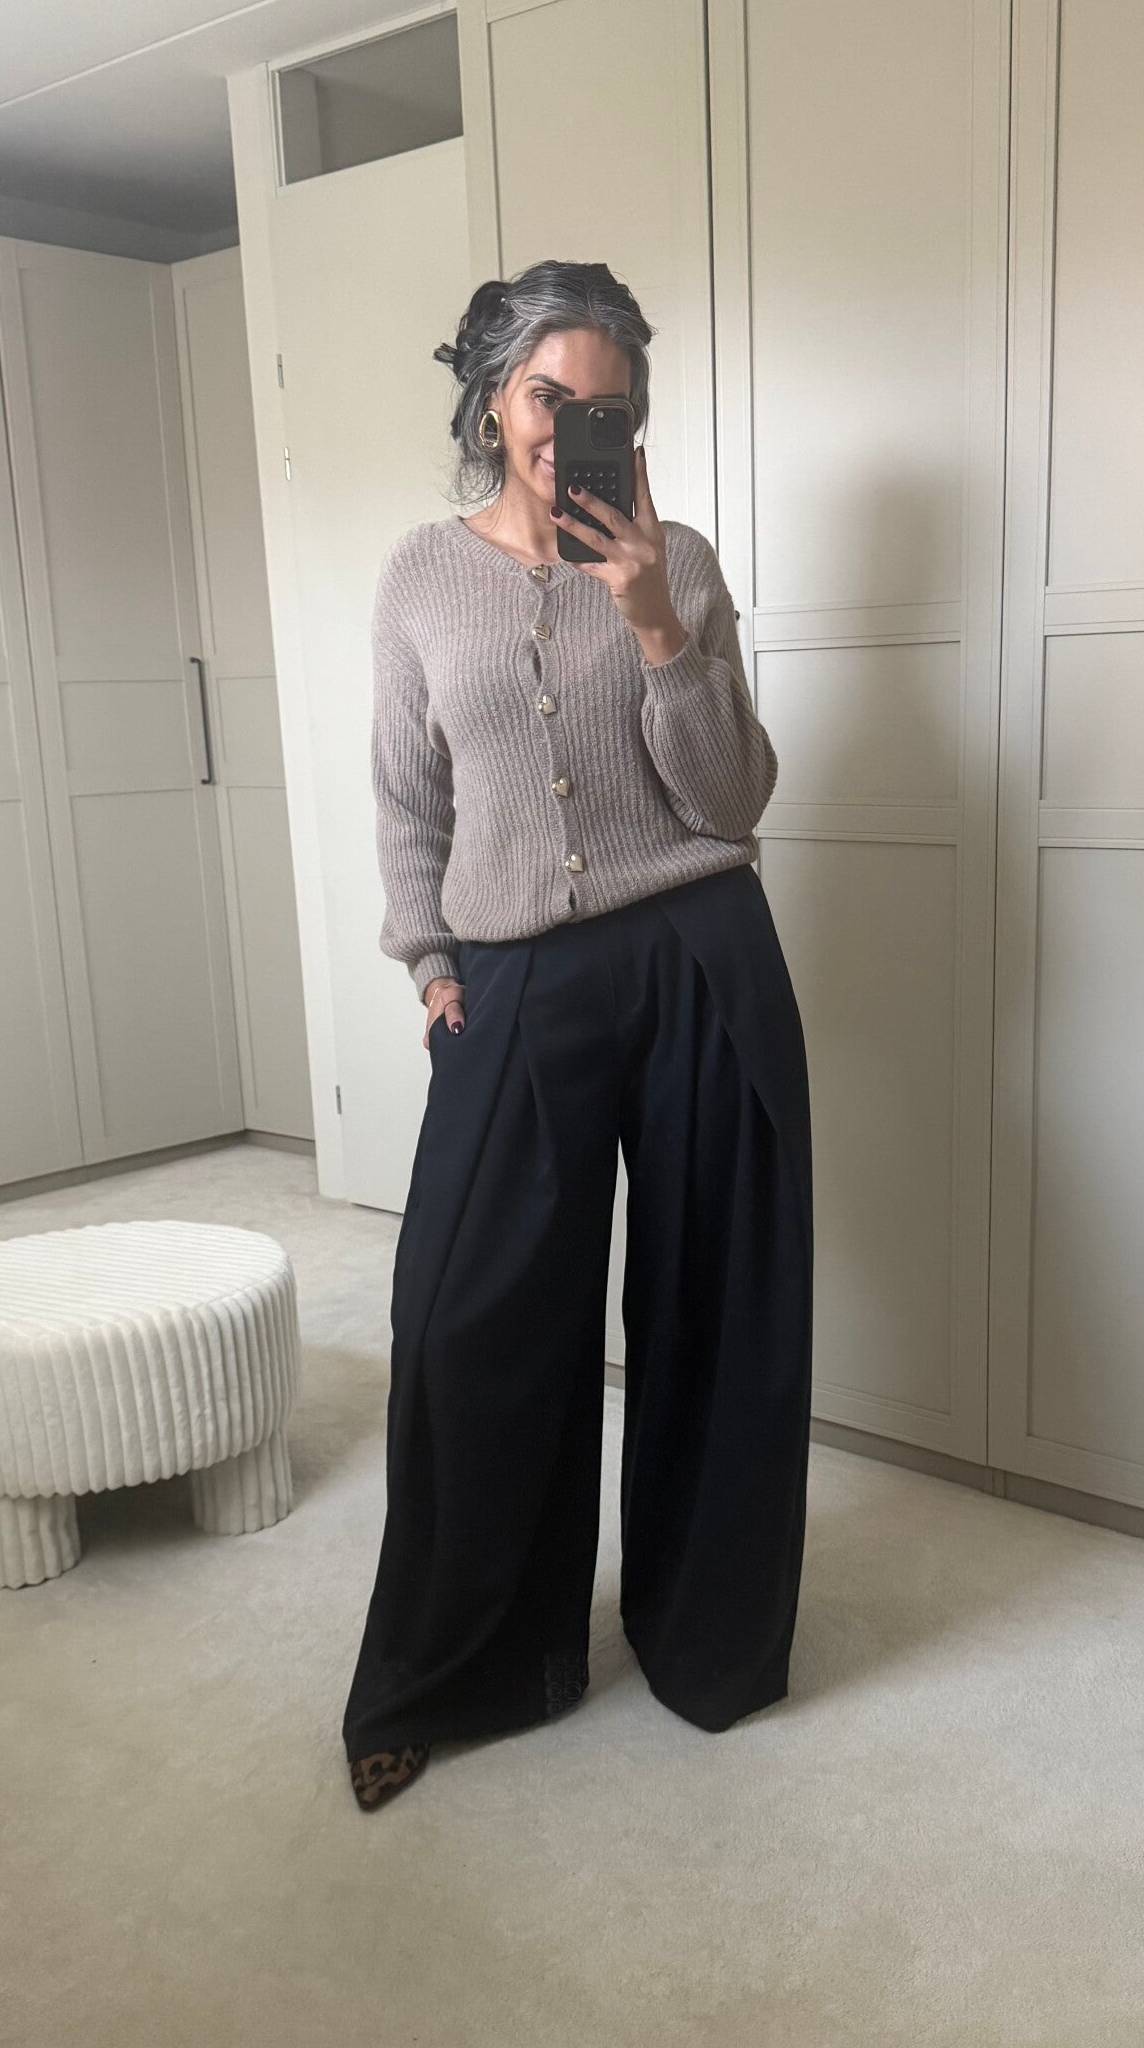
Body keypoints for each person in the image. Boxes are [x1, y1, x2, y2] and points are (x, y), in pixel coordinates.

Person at [341, 260, 815, 1812]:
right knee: (467, 1325)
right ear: (495, 398)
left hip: (697, 954)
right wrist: (427, 960)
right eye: (550, 397)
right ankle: (457, 1669)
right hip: (513, 978)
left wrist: (658, 624)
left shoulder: (678, 562)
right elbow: (407, 796)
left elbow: (731, 801)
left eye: (605, 407)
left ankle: (708, 1644)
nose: (570, 429)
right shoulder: (421, 577)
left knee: (717, 1312)